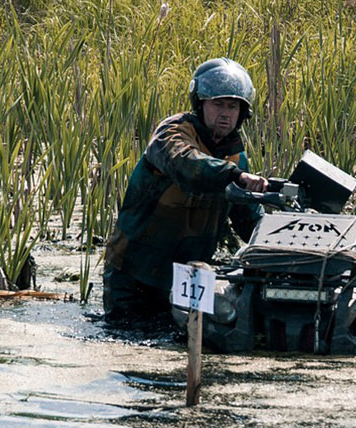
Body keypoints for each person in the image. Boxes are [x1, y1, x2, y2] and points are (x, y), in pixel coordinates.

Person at [103, 58, 268, 321]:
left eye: (233, 106)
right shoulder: (171, 133)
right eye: (218, 104)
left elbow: (249, 219)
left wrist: (277, 245)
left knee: (188, 338)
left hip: (190, 275)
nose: (225, 113)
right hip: (135, 271)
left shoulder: (236, 159)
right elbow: (187, 165)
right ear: (200, 104)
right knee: (129, 336)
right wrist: (235, 176)